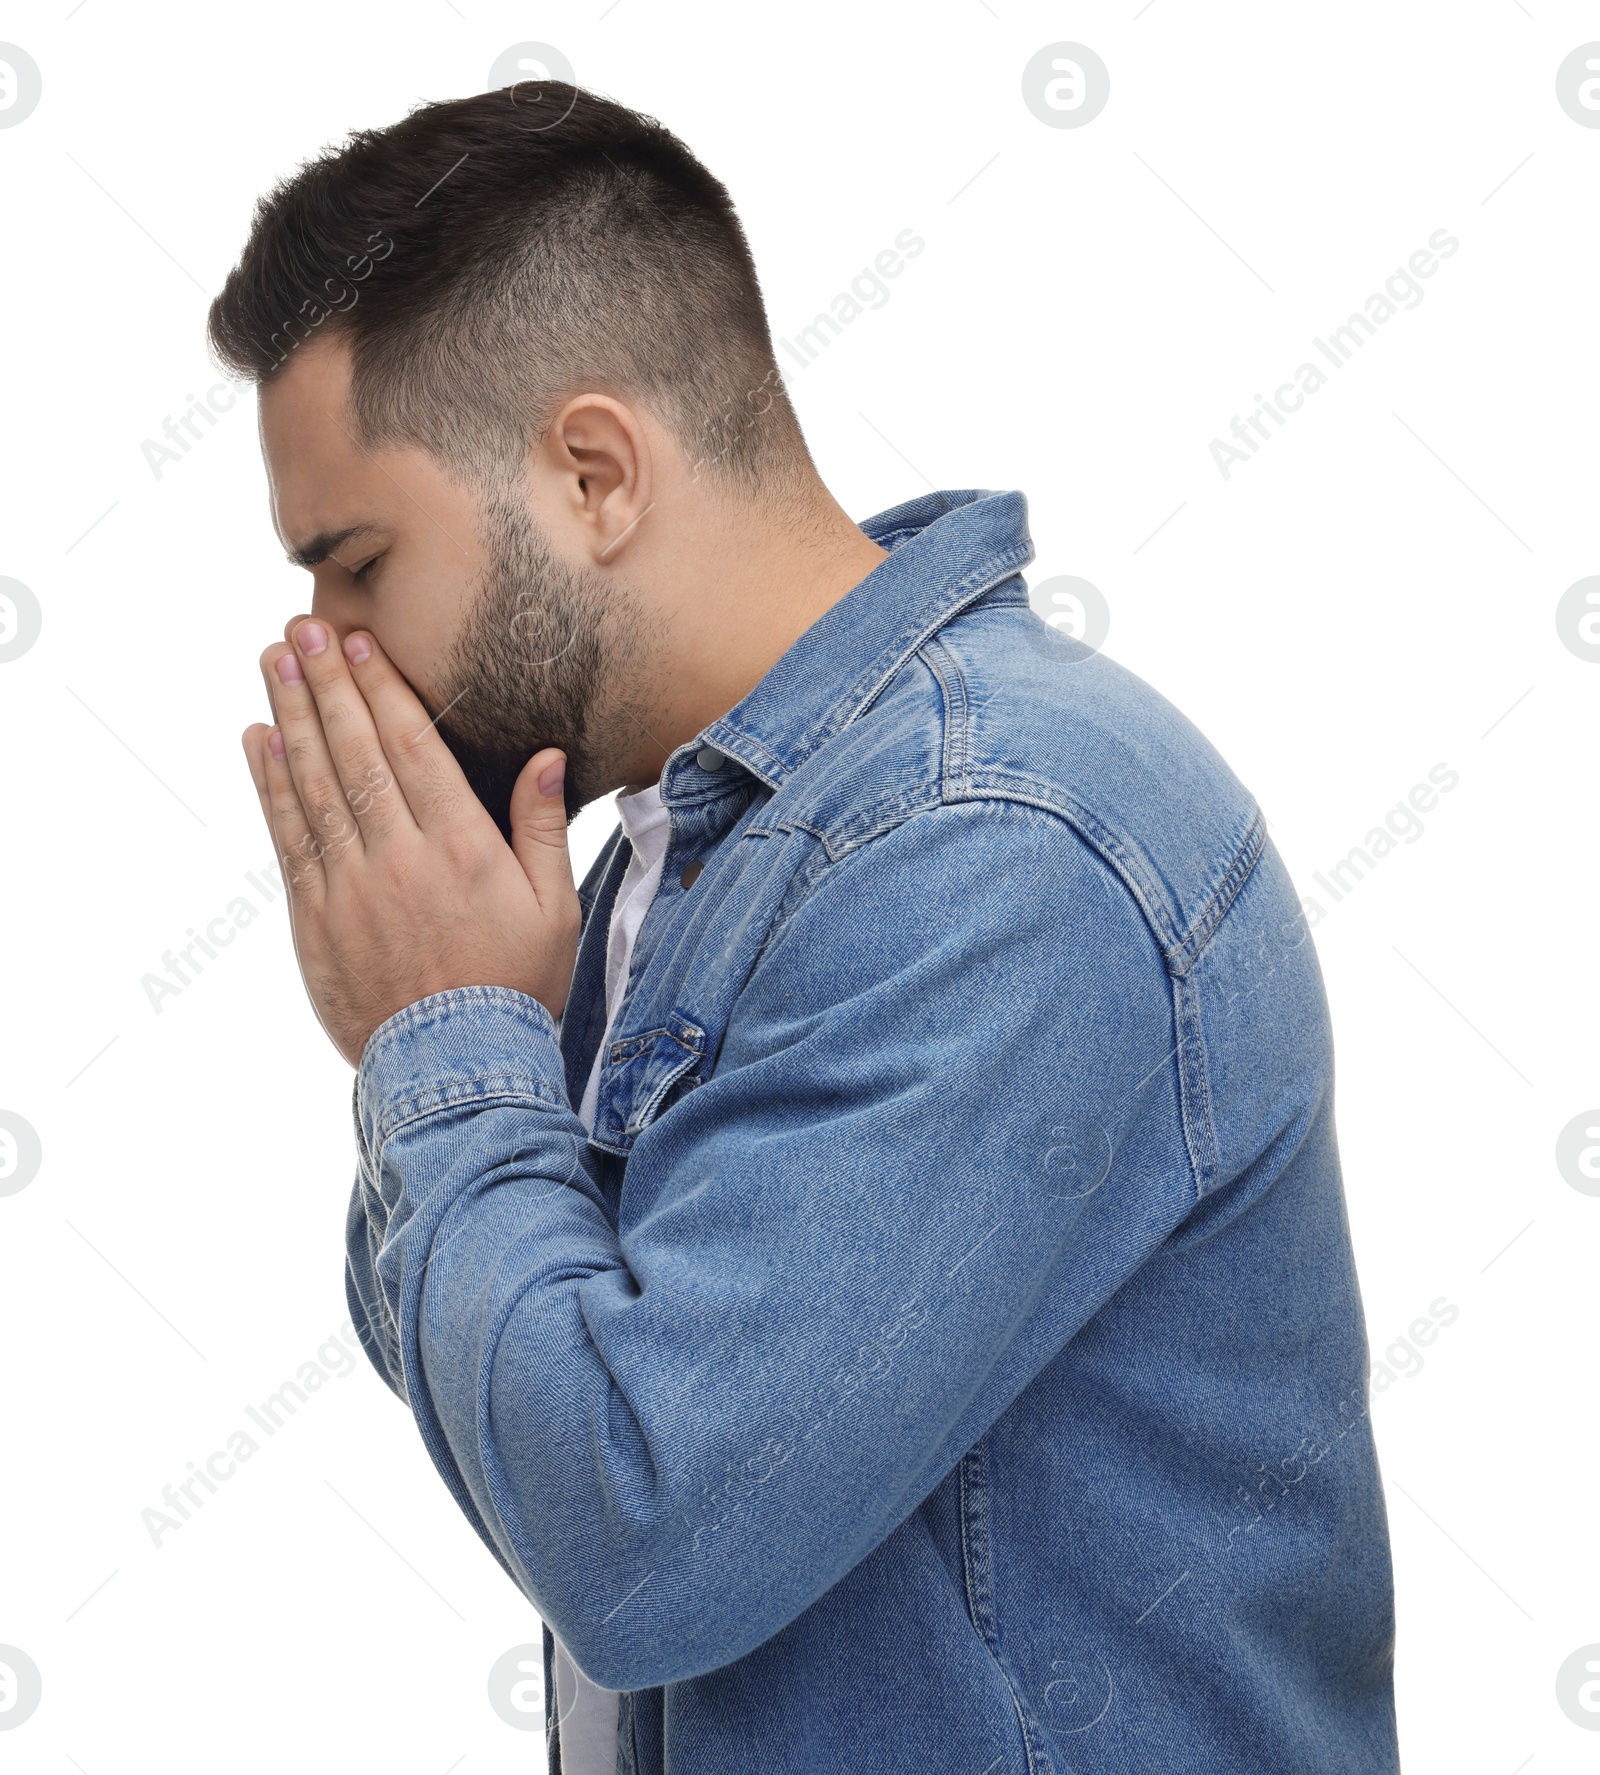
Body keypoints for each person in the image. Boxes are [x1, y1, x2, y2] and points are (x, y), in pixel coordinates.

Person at [212, 82, 1400, 1775]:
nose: (325, 647)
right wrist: (457, 1028)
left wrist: (445, 1044)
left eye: (358, 561)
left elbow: (639, 1542)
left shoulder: (994, 845)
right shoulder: (662, 866)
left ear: (595, 473)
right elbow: (529, 1437)